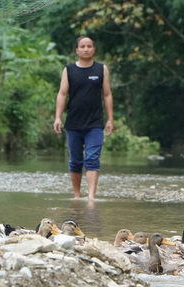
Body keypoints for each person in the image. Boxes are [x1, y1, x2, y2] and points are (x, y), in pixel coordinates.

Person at [54, 36, 114, 200]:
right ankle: (77, 195)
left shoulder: (101, 70)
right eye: (82, 46)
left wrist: (110, 119)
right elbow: (62, 94)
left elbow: (107, 94)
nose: (86, 49)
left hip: (95, 123)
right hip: (73, 122)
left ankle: (91, 197)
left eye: (89, 46)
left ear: (94, 49)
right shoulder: (69, 70)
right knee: (75, 161)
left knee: (92, 159)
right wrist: (58, 117)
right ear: (77, 50)